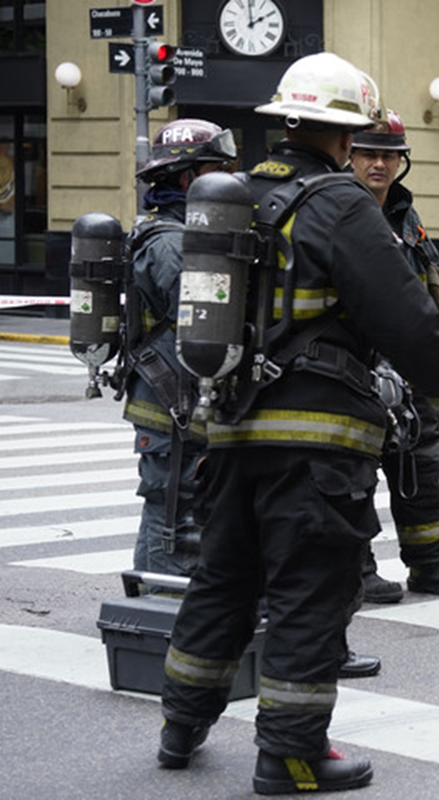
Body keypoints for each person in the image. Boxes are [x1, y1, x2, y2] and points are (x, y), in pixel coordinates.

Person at [157, 53, 439, 794]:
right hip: (317, 441)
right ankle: (293, 757)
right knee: (310, 592)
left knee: (223, 583)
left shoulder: (241, 195)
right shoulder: (337, 203)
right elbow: (406, 316)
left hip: (232, 432)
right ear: (344, 133)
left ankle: (180, 725)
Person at [348, 109, 439, 601]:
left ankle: (429, 566)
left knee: (423, 467)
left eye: (389, 155)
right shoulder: (337, 208)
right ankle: (358, 570)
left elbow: (430, 284)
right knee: (354, 475)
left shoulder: (406, 213)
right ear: (351, 156)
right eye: (369, 155)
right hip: (357, 368)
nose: (379, 164)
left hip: (410, 365)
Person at [127, 119, 237, 578]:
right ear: (188, 178)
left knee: (187, 503)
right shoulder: (170, 244)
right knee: (170, 507)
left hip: (183, 399)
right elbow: (196, 319)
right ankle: (153, 605)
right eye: (218, 170)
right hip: (171, 404)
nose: (231, 180)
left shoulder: (180, 234)